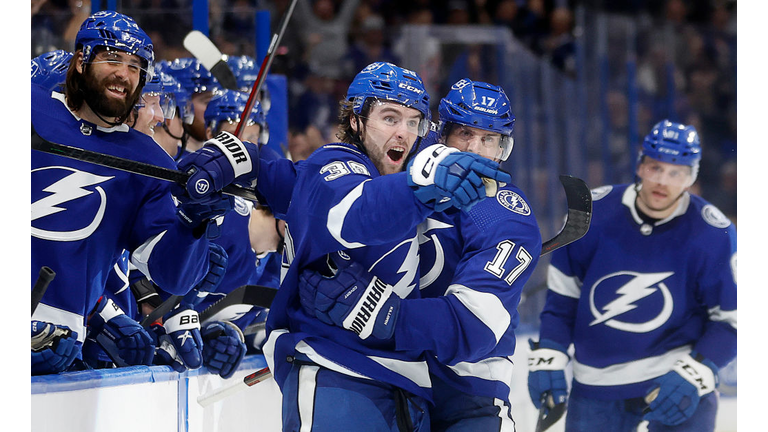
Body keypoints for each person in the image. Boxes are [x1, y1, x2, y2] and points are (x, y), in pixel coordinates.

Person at [260, 62, 512, 431]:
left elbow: (475, 326)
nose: (403, 132)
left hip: (416, 389)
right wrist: (247, 160)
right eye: (390, 117)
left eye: (413, 122)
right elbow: (356, 210)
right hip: (338, 372)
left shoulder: (498, 213)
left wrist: (387, 315)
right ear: (357, 119)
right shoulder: (339, 163)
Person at [31, 10, 258, 375]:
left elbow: (173, 276)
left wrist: (191, 225)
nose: (124, 73)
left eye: (136, 66)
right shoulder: (27, 105)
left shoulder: (149, 162)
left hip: (56, 347)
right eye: (112, 58)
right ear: (79, 61)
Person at [527, 120, 737, 431]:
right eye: (655, 168)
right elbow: (563, 300)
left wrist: (699, 369)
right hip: (596, 383)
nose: (662, 181)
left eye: (676, 172)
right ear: (639, 165)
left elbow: (733, 320)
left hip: (677, 378)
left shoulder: (714, 234)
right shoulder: (590, 215)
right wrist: (550, 349)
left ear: (691, 177)